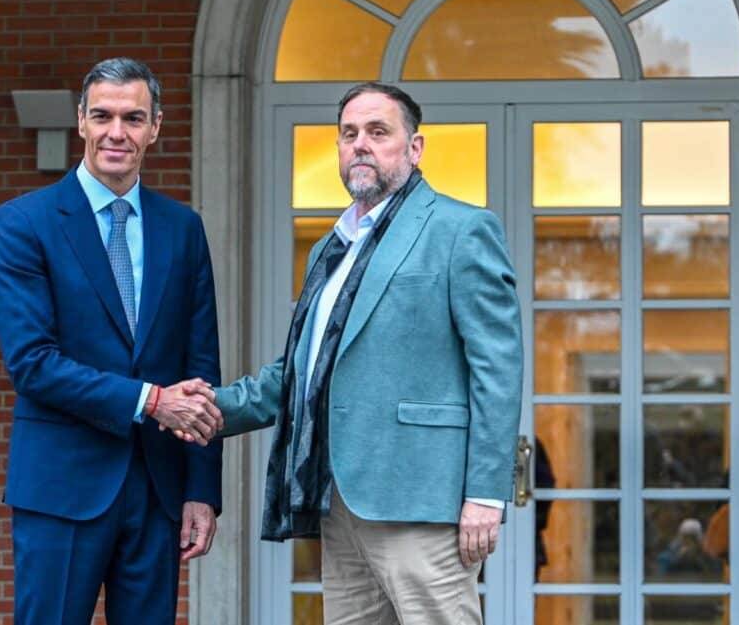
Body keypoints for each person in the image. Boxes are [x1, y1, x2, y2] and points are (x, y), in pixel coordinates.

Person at [212, 82, 523, 624]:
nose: (360, 144)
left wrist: (486, 494)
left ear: (414, 148)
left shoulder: (461, 229)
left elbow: (496, 369)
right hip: (338, 498)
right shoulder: (330, 247)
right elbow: (303, 372)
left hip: (422, 501)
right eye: (349, 133)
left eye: (378, 132)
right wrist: (210, 408)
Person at [0, 57, 223, 624]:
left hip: (157, 488)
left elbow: (201, 367)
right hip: (61, 486)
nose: (117, 132)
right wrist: (150, 400)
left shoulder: (183, 228)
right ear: (81, 121)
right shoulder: (25, 223)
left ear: (155, 127)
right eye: (103, 116)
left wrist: (201, 488)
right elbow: (32, 363)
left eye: (133, 118)